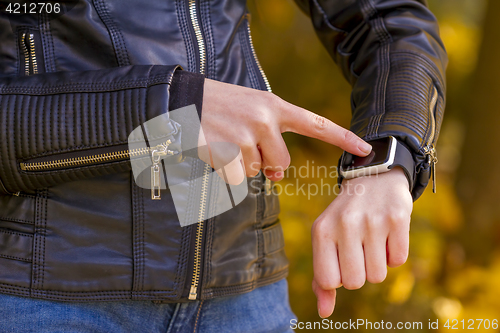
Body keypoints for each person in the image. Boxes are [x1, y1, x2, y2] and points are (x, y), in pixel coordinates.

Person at [0, 0, 446, 332]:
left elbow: (388, 21)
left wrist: (388, 160)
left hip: (246, 295)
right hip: (41, 298)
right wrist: (166, 108)